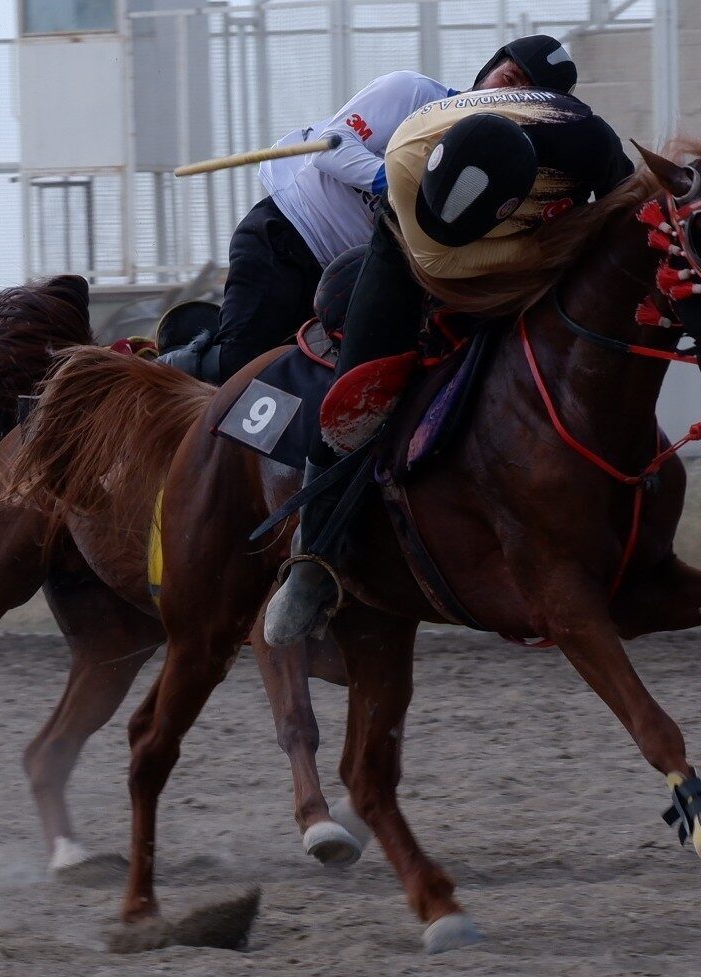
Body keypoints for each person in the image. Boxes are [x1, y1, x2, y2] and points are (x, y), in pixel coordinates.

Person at [264, 35, 636, 648]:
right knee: (356, 395)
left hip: (517, 261)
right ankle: (314, 562)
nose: (506, 87)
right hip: (406, 254)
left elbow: (625, 206)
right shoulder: (412, 143)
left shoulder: (586, 143)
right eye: (503, 74)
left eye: (520, 82)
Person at [155, 50, 546, 382]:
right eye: (508, 77)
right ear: (488, 69)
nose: (508, 94)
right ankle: (148, 376)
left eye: (526, 94)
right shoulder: (412, 92)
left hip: (350, 284)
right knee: (240, 366)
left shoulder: (512, 174)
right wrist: (398, 187)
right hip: (288, 237)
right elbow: (330, 149)